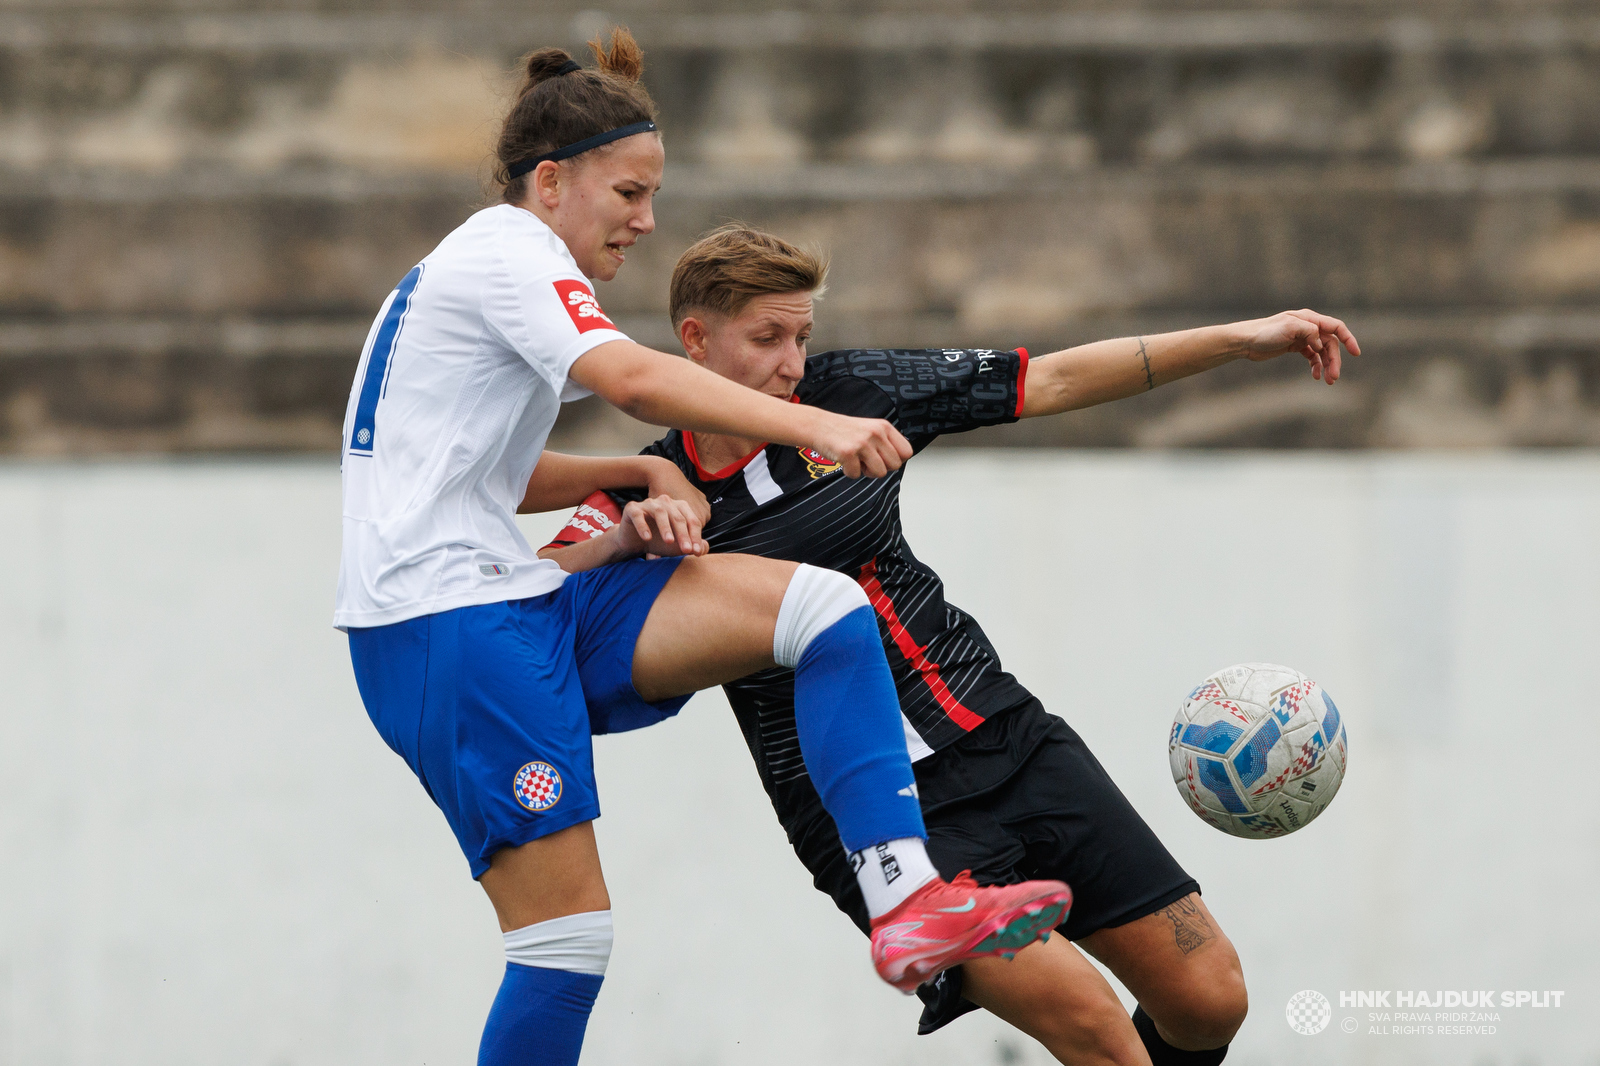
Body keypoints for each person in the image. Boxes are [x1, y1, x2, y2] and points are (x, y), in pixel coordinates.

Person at [335, 37, 1072, 1066]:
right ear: (552, 182)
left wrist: (634, 477)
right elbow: (633, 379)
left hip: (512, 604)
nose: (645, 219)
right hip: (445, 635)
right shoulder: (508, 252)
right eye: (629, 192)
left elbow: (488, 478)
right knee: (564, 944)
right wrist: (809, 427)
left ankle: (907, 901)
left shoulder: (491, 264)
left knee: (821, 609)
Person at [536, 225, 1362, 1065]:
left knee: (1209, 1000)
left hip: (1006, 736)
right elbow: (524, 601)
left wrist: (1239, 339)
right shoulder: (647, 497)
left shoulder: (848, 394)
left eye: (801, 337)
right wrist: (624, 543)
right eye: (767, 339)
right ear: (695, 342)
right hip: (876, 818)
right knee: (1098, 1032)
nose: (791, 363)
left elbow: (1051, 377)